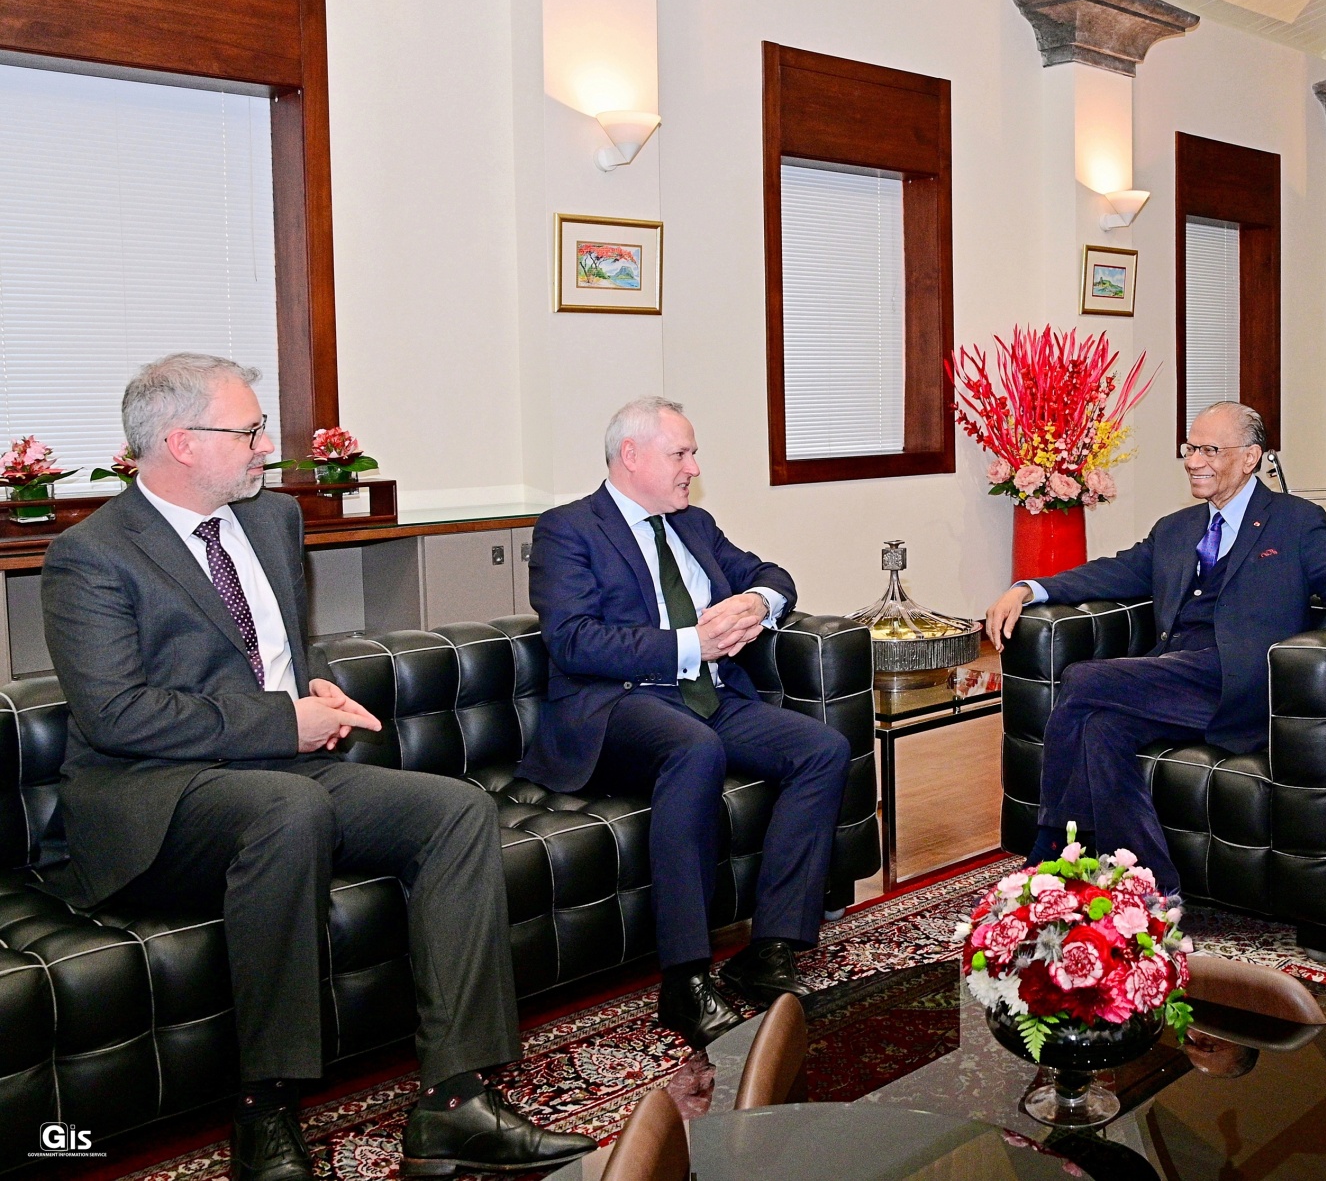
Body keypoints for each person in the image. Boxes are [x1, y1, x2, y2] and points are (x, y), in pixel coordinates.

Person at [39, 354, 592, 1181]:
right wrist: (280, 718)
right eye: (250, 429)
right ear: (182, 442)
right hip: (154, 798)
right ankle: (266, 1111)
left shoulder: (272, 521)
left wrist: (308, 689)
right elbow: (117, 715)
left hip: (276, 767)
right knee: (283, 812)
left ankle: (455, 1103)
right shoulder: (91, 556)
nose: (269, 445)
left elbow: (266, 652)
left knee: (456, 810)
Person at [522, 397, 850, 1048]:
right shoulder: (568, 529)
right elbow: (574, 640)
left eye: (693, 454)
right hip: (616, 702)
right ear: (632, 456)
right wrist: (690, 644)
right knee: (694, 749)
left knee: (823, 748)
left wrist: (758, 600)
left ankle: (772, 948)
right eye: (681, 454)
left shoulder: (693, 525)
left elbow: (770, 573)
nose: (692, 468)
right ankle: (685, 977)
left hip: (712, 695)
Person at [983, 401, 1326, 894]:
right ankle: (1152, 891)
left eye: (1209, 449)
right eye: (1190, 448)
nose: (1193, 460)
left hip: (1240, 683)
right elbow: (1115, 571)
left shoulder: (1295, 521)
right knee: (1101, 727)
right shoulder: (1177, 528)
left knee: (1080, 677)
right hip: (1176, 680)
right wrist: (1029, 588)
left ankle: (1051, 844)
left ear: (1250, 458)